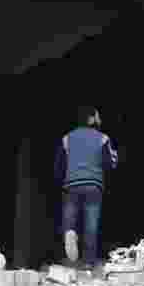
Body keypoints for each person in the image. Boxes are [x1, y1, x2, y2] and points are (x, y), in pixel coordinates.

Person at [54, 106, 119, 273]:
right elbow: (110, 163)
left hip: (72, 184)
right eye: (98, 116)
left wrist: (63, 180)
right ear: (91, 119)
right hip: (93, 184)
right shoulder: (103, 138)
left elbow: (59, 166)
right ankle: (89, 263)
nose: (100, 119)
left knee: (70, 216)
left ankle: (69, 231)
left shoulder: (67, 138)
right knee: (91, 224)